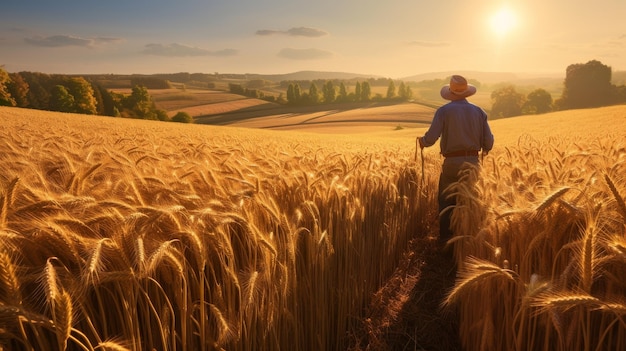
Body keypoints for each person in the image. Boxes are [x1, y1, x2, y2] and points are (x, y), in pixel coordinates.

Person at [418, 75, 494, 248]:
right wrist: (484, 147)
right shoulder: (479, 112)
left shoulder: (444, 111)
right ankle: (469, 239)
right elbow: (488, 142)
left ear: (451, 92)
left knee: (446, 201)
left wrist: (422, 141)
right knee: (470, 202)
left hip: (452, 162)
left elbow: (431, 138)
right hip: (473, 163)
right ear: (466, 92)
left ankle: (446, 240)